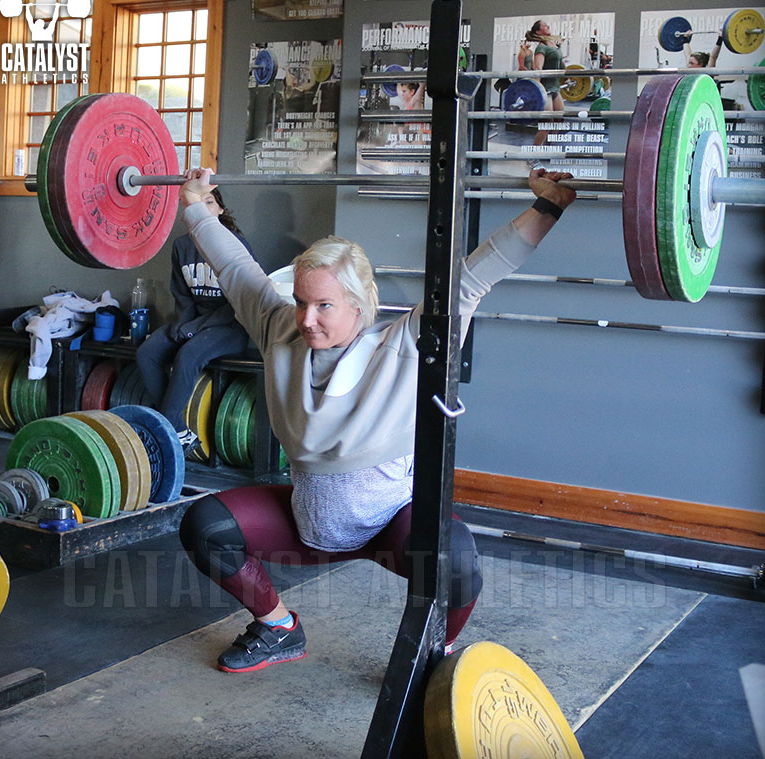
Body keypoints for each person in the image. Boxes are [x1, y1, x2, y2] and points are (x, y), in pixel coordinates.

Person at [178, 166, 576, 673]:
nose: (306, 318)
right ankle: (279, 626)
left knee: (455, 558)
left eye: (324, 305)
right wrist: (195, 204)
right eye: (301, 302)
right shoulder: (279, 330)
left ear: (361, 304)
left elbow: (474, 277)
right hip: (306, 527)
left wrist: (550, 206)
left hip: (393, 530)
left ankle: (436, 652)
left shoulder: (402, 346)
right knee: (204, 525)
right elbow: (234, 266)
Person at [136, 187, 254, 455]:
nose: (203, 209)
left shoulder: (236, 244)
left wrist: (193, 330)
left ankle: (162, 436)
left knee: (188, 355)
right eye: (197, 204)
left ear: (220, 210)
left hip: (230, 326)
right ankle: (178, 430)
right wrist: (182, 324)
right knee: (147, 352)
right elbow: (182, 294)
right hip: (194, 322)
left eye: (209, 203)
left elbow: (241, 301)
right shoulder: (182, 246)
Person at [527, 20, 565, 152]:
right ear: (538, 31)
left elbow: (561, 64)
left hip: (555, 88)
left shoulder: (554, 44)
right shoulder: (541, 47)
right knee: (547, 124)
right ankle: (533, 154)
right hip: (545, 89)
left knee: (559, 120)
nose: (548, 26)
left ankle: (549, 148)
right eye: (544, 25)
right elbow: (538, 68)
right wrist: (536, 91)